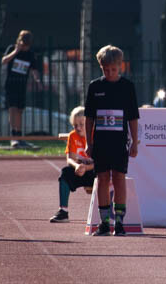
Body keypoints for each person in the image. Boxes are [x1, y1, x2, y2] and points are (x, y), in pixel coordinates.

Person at [84, 46, 140, 236]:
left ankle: (120, 222)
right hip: (101, 142)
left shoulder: (127, 87)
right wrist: (89, 142)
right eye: (105, 69)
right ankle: (104, 223)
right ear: (101, 67)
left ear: (120, 66)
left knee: (119, 178)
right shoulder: (95, 87)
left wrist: (134, 142)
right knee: (102, 179)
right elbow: (89, 118)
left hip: (119, 142)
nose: (109, 73)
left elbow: (133, 117)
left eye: (113, 70)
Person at [50, 106, 95, 222]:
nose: (78, 128)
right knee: (65, 173)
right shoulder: (73, 136)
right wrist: (77, 166)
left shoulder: (96, 135)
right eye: (75, 125)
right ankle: (63, 211)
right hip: (79, 170)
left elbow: (101, 162)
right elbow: (70, 159)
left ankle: (104, 213)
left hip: (94, 170)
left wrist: (86, 167)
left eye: (81, 124)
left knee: (104, 171)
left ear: (89, 124)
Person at [1, 30, 43, 147]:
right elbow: (4, 61)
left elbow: (34, 70)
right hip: (11, 85)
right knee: (12, 109)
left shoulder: (30, 54)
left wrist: (38, 81)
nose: (25, 48)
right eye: (23, 45)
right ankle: (13, 137)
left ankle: (19, 136)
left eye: (27, 46)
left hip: (21, 86)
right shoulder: (12, 49)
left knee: (20, 110)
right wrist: (16, 51)